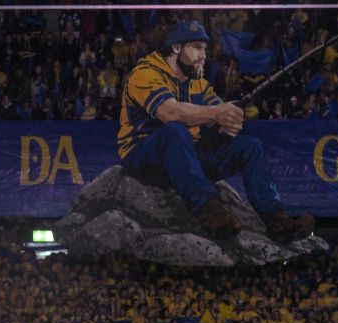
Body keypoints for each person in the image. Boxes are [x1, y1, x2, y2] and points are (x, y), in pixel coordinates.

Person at [117, 20, 315, 243]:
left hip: (184, 156)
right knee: (175, 130)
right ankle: (209, 211)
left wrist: (230, 119)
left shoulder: (197, 82)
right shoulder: (145, 73)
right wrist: (217, 113)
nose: (203, 55)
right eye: (197, 47)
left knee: (250, 146)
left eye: (204, 48)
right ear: (176, 48)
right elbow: (170, 113)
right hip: (144, 159)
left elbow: (218, 111)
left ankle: (276, 220)